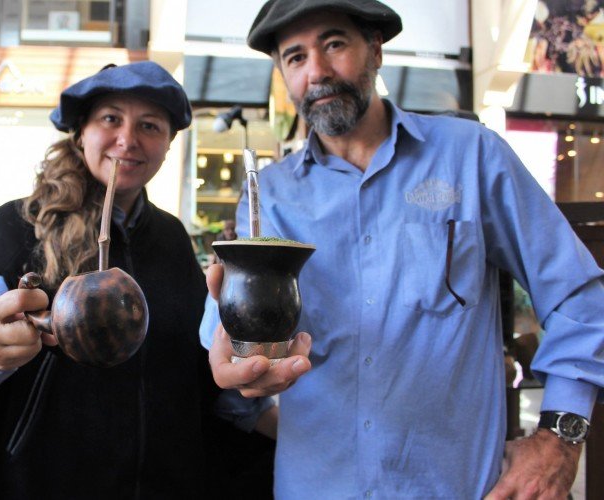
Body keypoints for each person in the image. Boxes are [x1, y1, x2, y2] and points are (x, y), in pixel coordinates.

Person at [200, 0, 604, 498]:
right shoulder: (273, 196)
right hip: (317, 485)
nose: (318, 72)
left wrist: (560, 437)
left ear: (374, 50)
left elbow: (580, 296)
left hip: (454, 486)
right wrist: (235, 355)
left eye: (334, 44)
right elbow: (237, 329)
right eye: (296, 57)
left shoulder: (470, 156)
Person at [0, 61, 275, 499]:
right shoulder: (20, 225)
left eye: (150, 126)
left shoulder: (172, 238)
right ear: (80, 132)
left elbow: (197, 371)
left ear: (168, 145)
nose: (128, 139)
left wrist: (248, 373)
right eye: (111, 119)